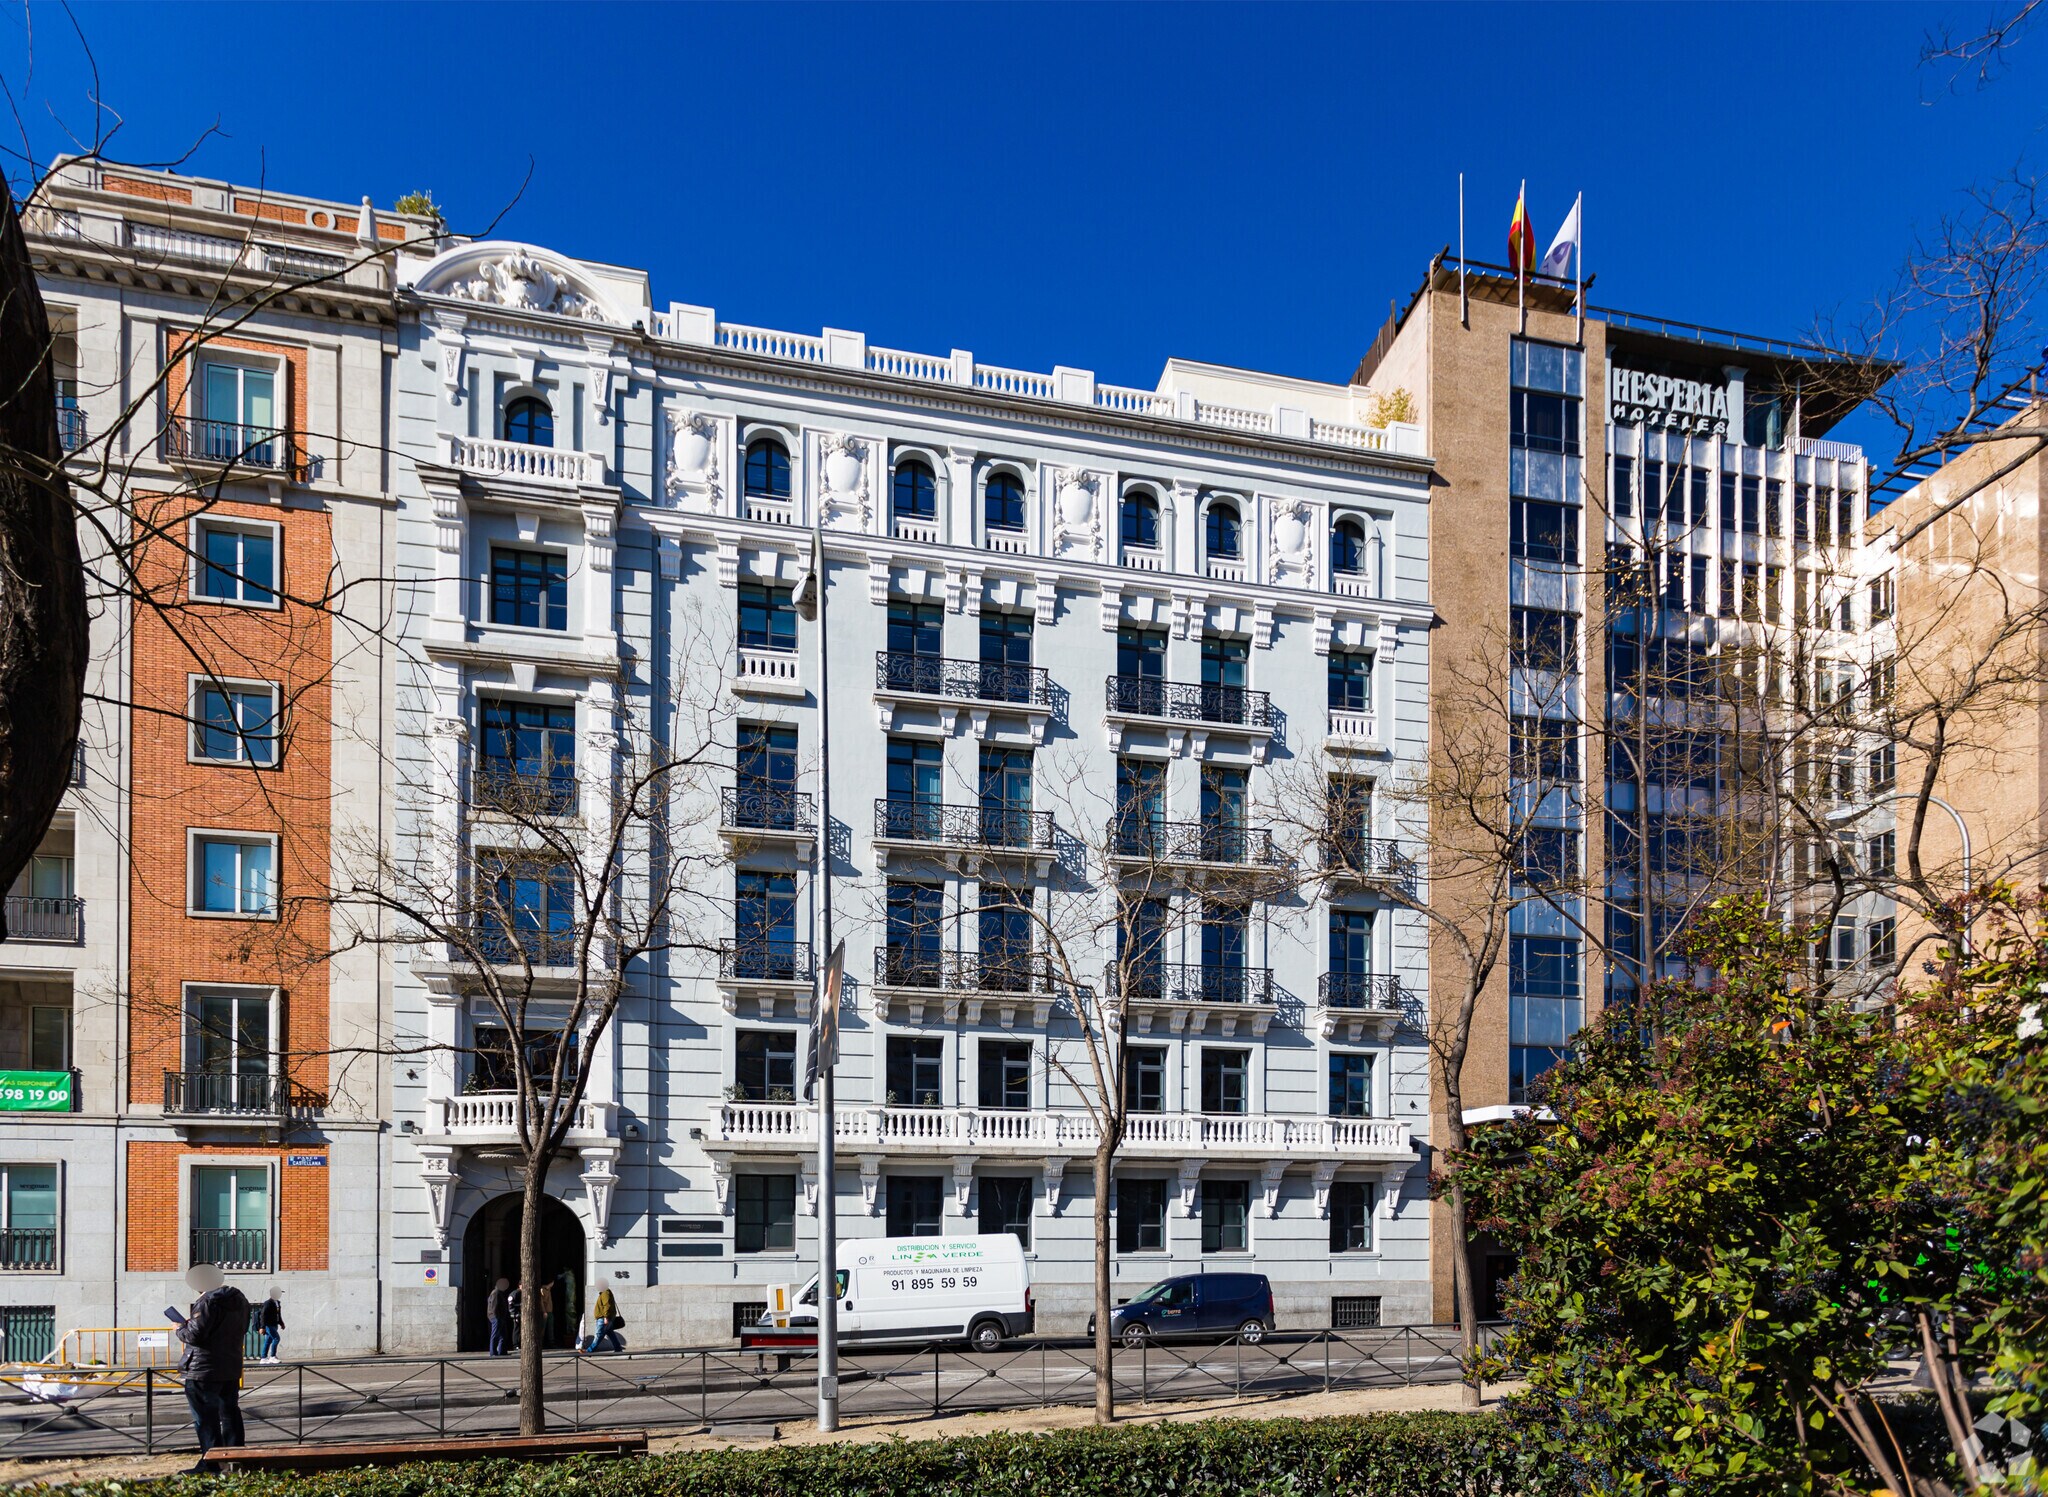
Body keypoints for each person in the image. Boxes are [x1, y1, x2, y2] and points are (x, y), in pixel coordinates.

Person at [175, 1264, 251, 1470]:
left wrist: (180, 1327)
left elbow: (194, 1336)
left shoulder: (207, 1302)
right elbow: (242, 1329)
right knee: (230, 1414)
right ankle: (236, 1460)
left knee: (205, 1419)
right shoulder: (240, 1300)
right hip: (230, 1366)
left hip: (203, 1369)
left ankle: (212, 1464)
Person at [582, 1285, 623, 1354]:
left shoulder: (605, 1292)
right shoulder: (605, 1292)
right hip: (604, 1318)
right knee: (610, 1333)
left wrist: (605, 1317)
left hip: (603, 1318)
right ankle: (618, 1348)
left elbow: (607, 1305)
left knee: (599, 1335)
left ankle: (589, 1351)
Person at [487, 1277, 513, 1356]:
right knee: (495, 1335)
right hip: (497, 1317)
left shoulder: (498, 1292)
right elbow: (495, 1306)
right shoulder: (496, 1293)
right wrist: (497, 1317)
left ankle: (502, 1351)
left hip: (499, 1317)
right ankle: (493, 1352)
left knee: (503, 1335)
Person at [256, 1290, 285, 1363]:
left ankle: (263, 1358)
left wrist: (281, 1323)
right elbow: (263, 1315)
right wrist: (262, 1327)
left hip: (274, 1324)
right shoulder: (268, 1303)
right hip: (268, 1325)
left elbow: (278, 1315)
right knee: (276, 1338)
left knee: (268, 1341)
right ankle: (272, 1356)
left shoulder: (277, 1303)